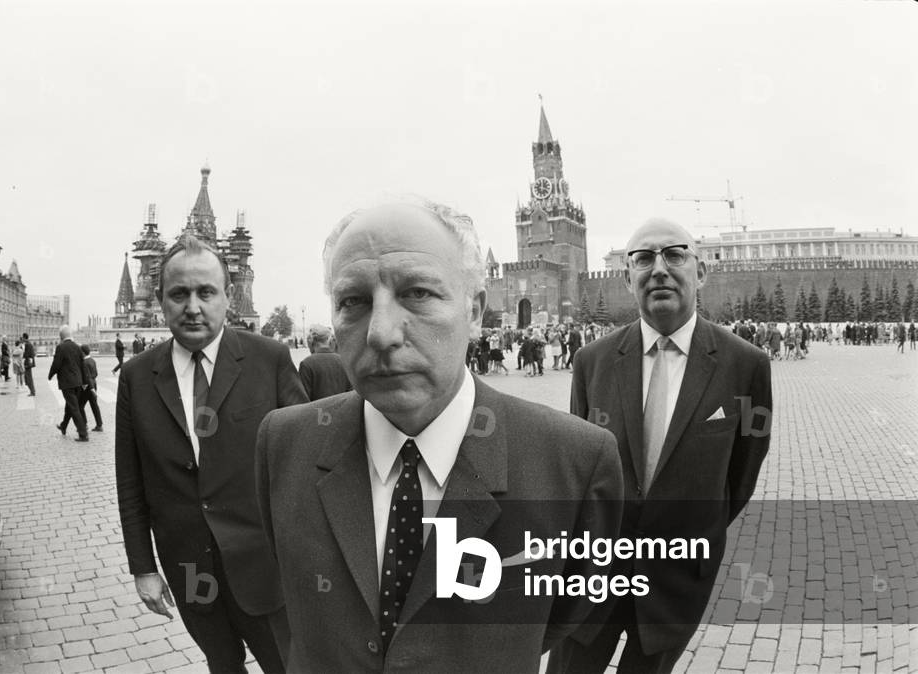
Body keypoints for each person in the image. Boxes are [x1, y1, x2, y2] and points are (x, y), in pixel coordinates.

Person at [256, 198, 622, 672]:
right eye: (354, 301)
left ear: (474, 311)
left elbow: (565, 612)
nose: (380, 333)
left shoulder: (574, 461)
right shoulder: (285, 443)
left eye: (417, 293)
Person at [549, 218, 772, 674]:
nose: (659, 269)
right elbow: (580, 464)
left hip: (676, 576)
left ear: (701, 271)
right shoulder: (592, 362)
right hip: (594, 572)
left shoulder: (745, 366)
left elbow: (741, 475)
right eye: (643, 259)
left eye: (674, 255)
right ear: (628, 276)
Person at [115, 233, 307, 673]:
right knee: (221, 664)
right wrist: (142, 568)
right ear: (162, 300)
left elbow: (303, 462)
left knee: (287, 665)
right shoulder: (138, 377)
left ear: (227, 296)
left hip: (264, 564)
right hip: (189, 567)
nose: (193, 306)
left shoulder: (269, 359)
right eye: (179, 294)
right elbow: (130, 480)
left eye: (206, 292)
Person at [48, 325, 91, 442]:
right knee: (70, 406)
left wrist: (50, 375)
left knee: (74, 408)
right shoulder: (77, 347)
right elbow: (83, 365)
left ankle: (83, 434)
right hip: (78, 382)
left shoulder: (60, 347)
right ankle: (63, 426)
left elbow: (56, 364)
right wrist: (86, 382)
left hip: (67, 383)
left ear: (61, 337)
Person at [297, 324, 352, 401]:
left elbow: (302, 398)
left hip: (317, 411)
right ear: (329, 340)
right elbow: (351, 391)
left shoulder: (307, 363)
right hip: (342, 409)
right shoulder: (343, 360)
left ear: (311, 342)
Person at [78, 344, 104, 431]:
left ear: (83, 352)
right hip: (94, 384)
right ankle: (99, 424)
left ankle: (84, 424)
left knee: (80, 406)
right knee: (94, 405)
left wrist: (90, 388)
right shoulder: (92, 360)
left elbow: (87, 377)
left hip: (87, 387)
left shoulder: (84, 363)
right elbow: (95, 374)